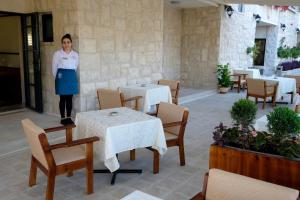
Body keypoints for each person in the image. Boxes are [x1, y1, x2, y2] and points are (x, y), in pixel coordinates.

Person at [52, 34, 79, 125]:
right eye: (64, 42)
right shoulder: (57, 54)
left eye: (68, 42)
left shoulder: (75, 54)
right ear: (62, 44)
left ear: (71, 43)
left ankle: (68, 117)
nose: (66, 44)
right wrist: (58, 78)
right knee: (62, 98)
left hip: (71, 77)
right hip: (61, 77)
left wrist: (70, 75)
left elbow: (75, 67)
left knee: (70, 98)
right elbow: (54, 67)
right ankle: (63, 118)